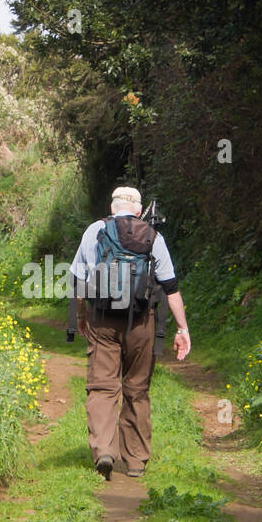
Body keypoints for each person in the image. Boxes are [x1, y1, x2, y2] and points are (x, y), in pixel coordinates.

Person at [70, 186, 191, 479]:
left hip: (101, 318)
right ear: (138, 210)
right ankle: (135, 460)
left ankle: (104, 451)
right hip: (141, 321)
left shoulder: (95, 231)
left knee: (102, 387)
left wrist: (80, 318)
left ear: (113, 208)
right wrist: (182, 329)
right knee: (137, 388)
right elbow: (170, 288)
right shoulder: (153, 236)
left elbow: (78, 281)